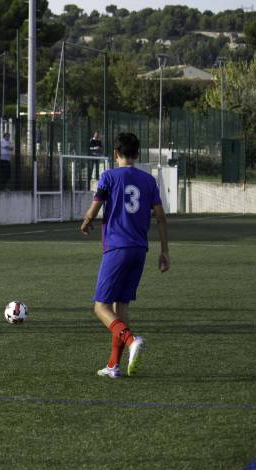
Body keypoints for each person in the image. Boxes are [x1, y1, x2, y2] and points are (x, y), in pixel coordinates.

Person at [80, 132, 170, 379]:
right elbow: (161, 217)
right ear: (137, 154)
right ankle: (114, 365)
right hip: (140, 250)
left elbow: (95, 206)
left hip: (117, 248)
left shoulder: (109, 176)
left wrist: (87, 221)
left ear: (115, 153)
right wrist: (164, 252)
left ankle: (132, 341)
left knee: (100, 307)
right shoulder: (148, 181)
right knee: (122, 307)